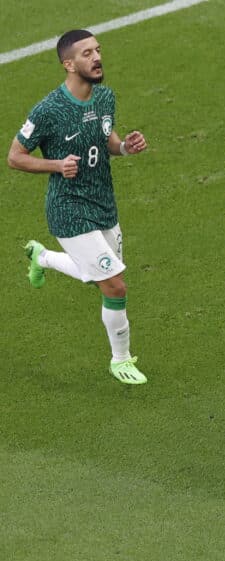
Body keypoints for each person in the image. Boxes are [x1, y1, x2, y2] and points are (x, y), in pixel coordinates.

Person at [9, 29, 149, 385]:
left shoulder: (105, 98)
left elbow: (108, 141)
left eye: (98, 50)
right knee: (114, 286)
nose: (97, 57)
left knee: (97, 277)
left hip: (103, 204)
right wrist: (56, 165)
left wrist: (126, 148)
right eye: (87, 53)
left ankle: (42, 258)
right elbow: (15, 157)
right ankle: (120, 361)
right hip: (68, 210)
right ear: (68, 64)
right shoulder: (48, 110)